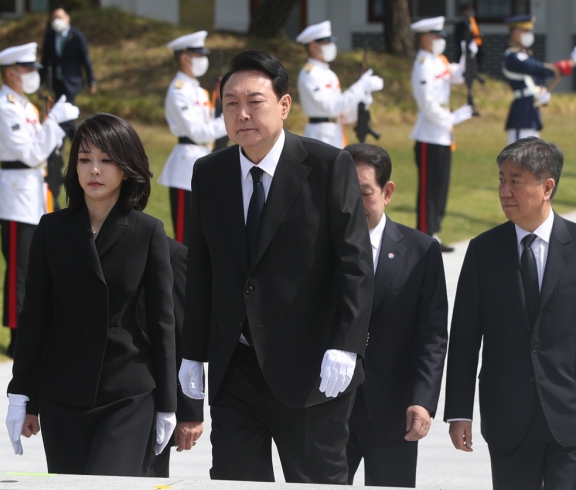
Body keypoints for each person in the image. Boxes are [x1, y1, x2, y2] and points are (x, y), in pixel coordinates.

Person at [179, 50, 374, 484]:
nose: (241, 113)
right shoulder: (209, 172)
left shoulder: (327, 166)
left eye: (254, 101)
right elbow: (203, 270)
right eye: (230, 103)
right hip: (236, 370)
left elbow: (355, 265)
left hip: (312, 371)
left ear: (284, 106)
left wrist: (347, 343)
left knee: (316, 481)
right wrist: (192, 353)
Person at [5, 113, 177, 476]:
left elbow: (163, 323)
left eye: (106, 160)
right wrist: (22, 394)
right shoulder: (52, 229)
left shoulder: (148, 232)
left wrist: (169, 404)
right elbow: (35, 317)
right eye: (84, 160)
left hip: (128, 393)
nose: (94, 170)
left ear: (127, 168)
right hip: (63, 394)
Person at [445, 137, 576, 489]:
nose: (504, 191)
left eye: (515, 181)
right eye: (501, 180)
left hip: (570, 418)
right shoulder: (484, 251)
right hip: (508, 419)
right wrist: (459, 412)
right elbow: (464, 338)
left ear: (547, 186)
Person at [343, 143, 448, 488]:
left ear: (387, 192)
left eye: (363, 193)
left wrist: (423, 400)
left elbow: (432, 335)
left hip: (393, 411)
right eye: (344, 191)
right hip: (328, 410)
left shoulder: (421, 252)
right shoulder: (316, 248)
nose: (352, 203)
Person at [0, 42, 79, 357]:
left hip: (36, 190)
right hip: (15, 194)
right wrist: (54, 122)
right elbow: (32, 151)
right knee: (19, 270)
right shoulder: (4, 107)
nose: (34, 75)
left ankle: (39, 326)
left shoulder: (24, 105)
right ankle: (17, 335)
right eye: (28, 70)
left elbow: (43, 148)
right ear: (11, 72)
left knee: (41, 265)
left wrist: (55, 125)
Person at [410, 16, 474, 252]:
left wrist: (469, 52)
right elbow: (427, 104)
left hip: (443, 135)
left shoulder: (439, 61)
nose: (440, 41)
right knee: (429, 188)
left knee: (440, 187)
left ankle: (433, 232)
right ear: (425, 38)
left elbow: (458, 75)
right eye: (436, 36)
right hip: (429, 134)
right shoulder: (423, 64)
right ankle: (424, 234)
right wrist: (451, 118)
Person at [143, 236, 204, 477]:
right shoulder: (66, 241)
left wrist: (189, 411)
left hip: (147, 401)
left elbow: (182, 336)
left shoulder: (170, 253)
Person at [157, 31, 227, 244]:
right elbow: (197, 132)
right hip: (186, 166)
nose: (203, 60)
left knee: (204, 233)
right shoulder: (179, 91)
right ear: (185, 58)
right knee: (185, 236)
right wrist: (229, 120)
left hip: (204, 157)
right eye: (199, 56)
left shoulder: (196, 89)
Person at [39, 6, 97, 210]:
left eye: (60, 17)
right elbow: (44, 60)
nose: (57, 20)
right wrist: (40, 83)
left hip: (72, 83)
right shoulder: (49, 36)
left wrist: (91, 81)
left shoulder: (77, 36)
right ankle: (71, 141)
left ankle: (69, 142)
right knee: (61, 117)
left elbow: (85, 59)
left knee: (67, 115)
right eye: (54, 17)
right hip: (56, 83)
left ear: (68, 18)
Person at [295, 21, 383, 148]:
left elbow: (343, 113)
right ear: (313, 46)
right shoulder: (310, 74)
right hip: (320, 135)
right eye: (326, 43)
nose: (331, 46)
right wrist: (360, 86)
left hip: (336, 131)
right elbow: (331, 107)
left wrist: (364, 95)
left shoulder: (329, 73)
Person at [502, 15, 576, 145]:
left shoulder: (525, 55)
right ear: (515, 32)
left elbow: (535, 80)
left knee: (530, 160)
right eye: (526, 31)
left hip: (530, 111)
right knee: (518, 159)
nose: (529, 34)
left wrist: (540, 92)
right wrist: (569, 63)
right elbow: (542, 70)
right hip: (522, 113)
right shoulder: (513, 57)